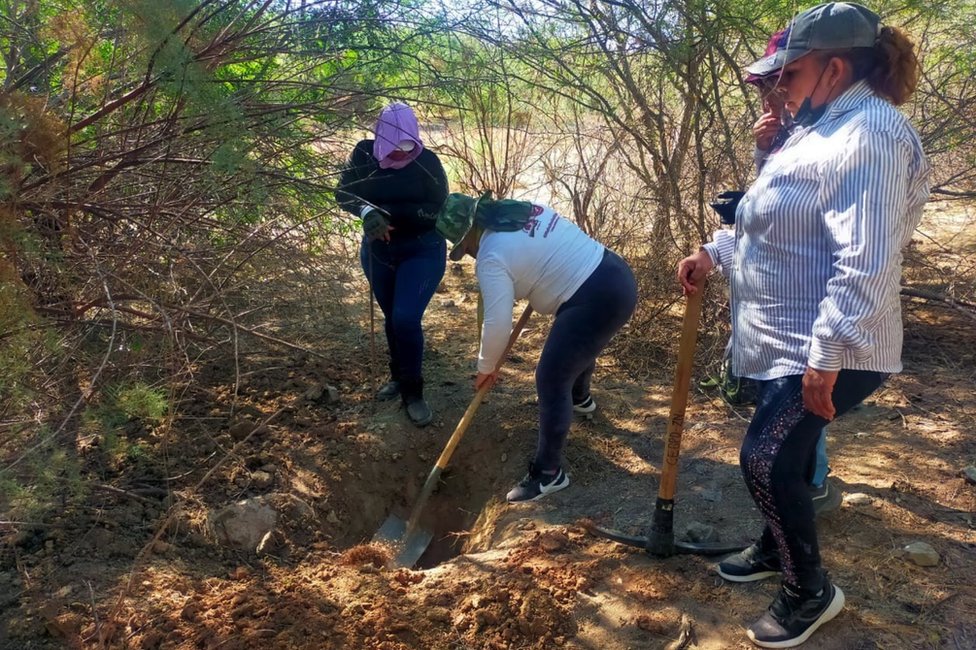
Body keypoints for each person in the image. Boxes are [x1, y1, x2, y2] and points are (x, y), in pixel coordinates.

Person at [678, 3, 929, 647]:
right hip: (785, 338)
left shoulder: (868, 136)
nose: (777, 90)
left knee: (765, 459)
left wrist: (827, 355)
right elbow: (772, 227)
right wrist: (716, 252)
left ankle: (809, 590)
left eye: (786, 76)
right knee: (779, 456)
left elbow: (865, 258)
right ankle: (774, 545)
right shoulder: (815, 130)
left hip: (829, 343)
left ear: (835, 67)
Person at [436, 192, 637, 502]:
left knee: (551, 377)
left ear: (471, 233)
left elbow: (498, 323)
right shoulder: (523, 210)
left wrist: (485, 368)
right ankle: (580, 398)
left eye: (466, 247)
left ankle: (548, 473)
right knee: (576, 342)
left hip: (595, 298)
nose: (470, 254)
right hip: (615, 274)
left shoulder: (491, 255)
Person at [708, 54, 840, 516]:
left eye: (779, 85)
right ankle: (797, 486)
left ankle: (811, 483)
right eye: (764, 89)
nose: (771, 99)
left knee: (800, 407)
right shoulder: (791, 136)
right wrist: (765, 152)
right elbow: (763, 217)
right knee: (785, 407)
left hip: (806, 307)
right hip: (773, 309)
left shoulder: (833, 137)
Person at [337, 102, 449, 426]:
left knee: (405, 318)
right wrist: (365, 212)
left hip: (421, 249)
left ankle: (414, 392)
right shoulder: (363, 155)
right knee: (391, 318)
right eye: (395, 147)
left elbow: (438, 207)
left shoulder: (427, 162)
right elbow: (343, 193)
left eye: (408, 146)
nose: (402, 154)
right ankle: (398, 376)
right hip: (378, 252)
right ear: (381, 140)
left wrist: (388, 211)